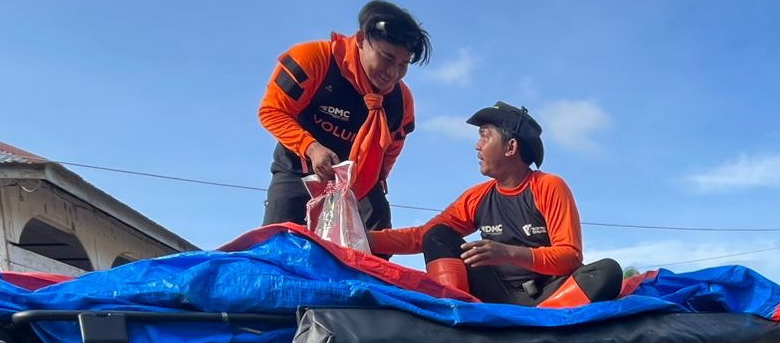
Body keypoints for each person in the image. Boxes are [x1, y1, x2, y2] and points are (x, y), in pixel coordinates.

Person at [367, 102, 623, 308]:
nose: (477, 146)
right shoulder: (478, 196)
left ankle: (541, 320)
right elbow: (422, 237)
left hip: (548, 293)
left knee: (608, 272)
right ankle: (455, 313)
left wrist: (507, 252)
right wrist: (367, 240)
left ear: (511, 147)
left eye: (485, 137)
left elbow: (569, 257)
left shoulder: (549, 186)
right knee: (438, 235)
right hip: (497, 294)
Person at [259, 2, 430, 231]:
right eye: (387, 58)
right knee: (278, 241)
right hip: (297, 169)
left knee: (378, 236)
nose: (393, 73)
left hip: (357, 181)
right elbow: (272, 111)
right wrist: (312, 148)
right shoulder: (313, 58)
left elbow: (392, 146)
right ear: (360, 40)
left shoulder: (401, 100)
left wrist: (378, 177)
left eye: (403, 65)